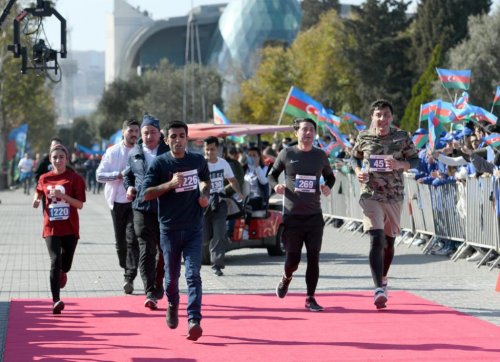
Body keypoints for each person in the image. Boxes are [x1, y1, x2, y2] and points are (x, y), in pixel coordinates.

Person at [143, 120, 210, 341]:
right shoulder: (160, 164)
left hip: (193, 228)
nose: (178, 140)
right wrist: (170, 185)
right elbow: (147, 193)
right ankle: (172, 303)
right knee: (171, 280)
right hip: (169, 229)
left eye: (182, 136)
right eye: (173, 136)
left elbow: (206, 181)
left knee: (193, 275)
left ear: (187, 138)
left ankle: (194, 320)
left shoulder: (198, 160)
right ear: (166, 139)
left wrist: (204, 196)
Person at [350, 99, 419, 309]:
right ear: (373, 117)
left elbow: (416, 160)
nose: (382, 119)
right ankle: (378, 288)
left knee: (389, 243)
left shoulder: (402, 137)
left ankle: (384, 276)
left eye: (386, 115)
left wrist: (400, 164)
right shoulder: (364, 137)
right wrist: (358, 172)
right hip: (371, 194)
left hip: (394, 195)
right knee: (376, 238)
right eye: (378, 115)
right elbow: (354, 158)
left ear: (391, 117)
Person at [268, 117, 335, 312]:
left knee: (314, 257)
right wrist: (277, 185)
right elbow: (272, 175)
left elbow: (330, 176)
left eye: (311, 130)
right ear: (296, 132)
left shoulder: (320, 155)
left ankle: (310, 298)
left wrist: (327, 187)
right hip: (292, 215)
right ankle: (286, 277)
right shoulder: (287, 153)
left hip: (314, 216)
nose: (308, 133)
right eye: (304, 129)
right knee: (293, 261)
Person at [32, 144, 86, 314]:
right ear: (50, 159)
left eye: (61, 157)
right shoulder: (44, 178)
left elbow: (80, 205)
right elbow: (39, 191)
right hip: (51, 227)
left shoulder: (75, 178)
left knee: (65, 264)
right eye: (55, 157)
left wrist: (63, 196)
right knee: (55, 261)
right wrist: (36, 199)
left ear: (66, 159)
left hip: (70, 227)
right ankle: (56, 300)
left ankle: (63, 271)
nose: (58, 160)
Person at [123, 114, 170, 310]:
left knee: (165, 251)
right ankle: (149, 291)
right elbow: (128, 176)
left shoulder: (169, 153)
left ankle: (158, 282)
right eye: (145, 133)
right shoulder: (134, 153)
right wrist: (129, 187)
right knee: (146, 248)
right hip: (141, 207)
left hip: (166, 207)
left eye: (152, 132)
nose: (149, 136)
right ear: (141, 134)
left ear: (159, 134)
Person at [96, 119, 140, 294]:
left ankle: (129, 277)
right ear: (123, 132)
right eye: (131, 131)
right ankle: (126, 265)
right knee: (121, 243)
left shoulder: (141, 152)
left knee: (132, 238)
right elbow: (99, 175)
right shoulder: (113, 152)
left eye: (137, 131)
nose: (134, 134)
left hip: (135, 203)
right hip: (116, 202)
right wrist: (118, 175)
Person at [203, 136, 243, 276]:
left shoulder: (223, 163)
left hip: (219, 201)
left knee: (219, 233)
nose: (209, 152)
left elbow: (232, 180)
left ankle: (217, 265)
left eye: (212, 149)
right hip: (203, 203)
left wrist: (239, 193)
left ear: (218, 149)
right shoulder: (200, 164)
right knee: (205, 236)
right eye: (207, 150)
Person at [243, 146, 270, 211]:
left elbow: (263, 181)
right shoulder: (244, 169)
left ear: (259, 157)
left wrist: (257, 166)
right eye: (249, 155)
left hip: (258, 198)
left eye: (254, 155)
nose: (251, 157)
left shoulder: (265, 169)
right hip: (245, 198)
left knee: (247, 206)